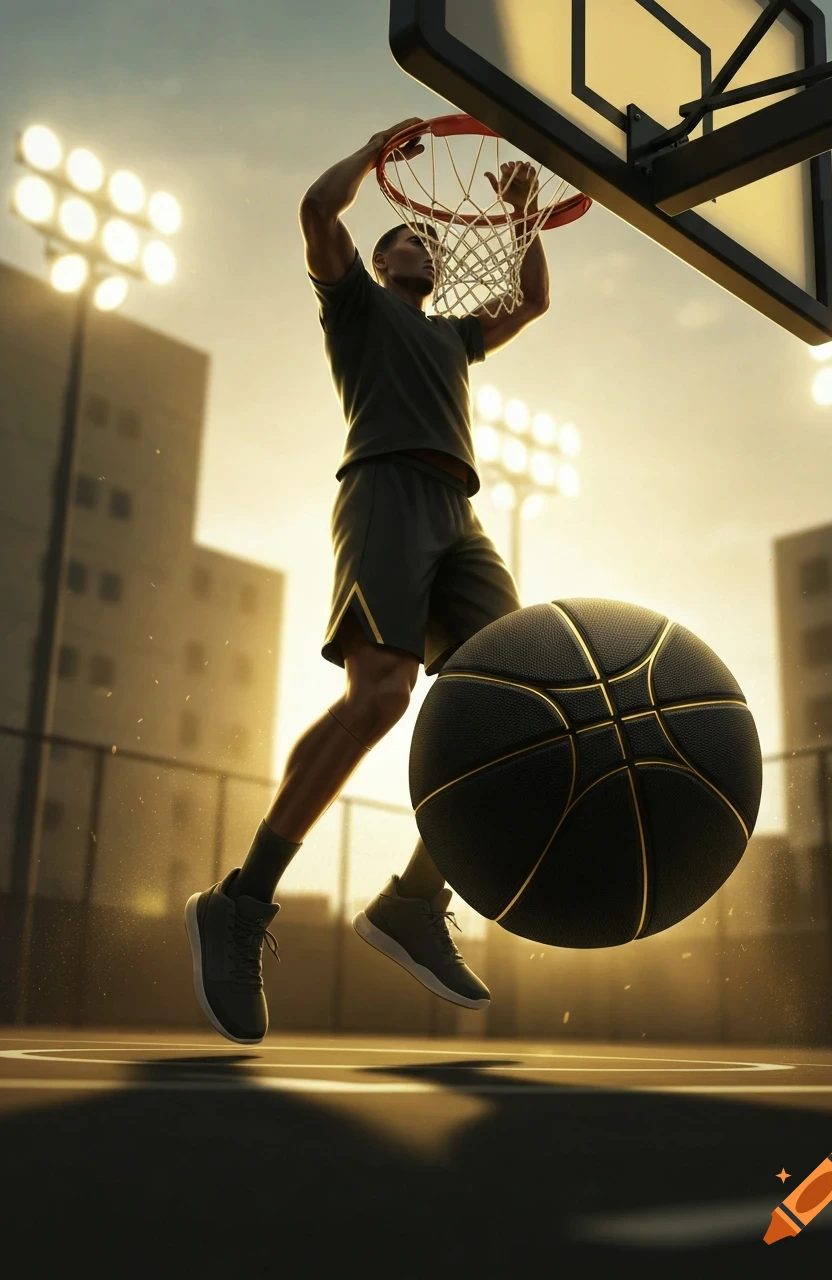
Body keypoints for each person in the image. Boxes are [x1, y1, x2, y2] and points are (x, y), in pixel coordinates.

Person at [185, 117, 551, 1044]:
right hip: (383, 492)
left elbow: (534, 301)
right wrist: (381, 147)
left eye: (428, 241)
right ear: (379, 254)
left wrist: (526, 215)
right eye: (403, 235)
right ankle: (243, 900)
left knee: (521, 700)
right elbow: (316, 206)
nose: (418, 244)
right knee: (381, 698)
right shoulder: (354, 303)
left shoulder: (457, 339)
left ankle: (415, 902)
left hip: (456, 510)